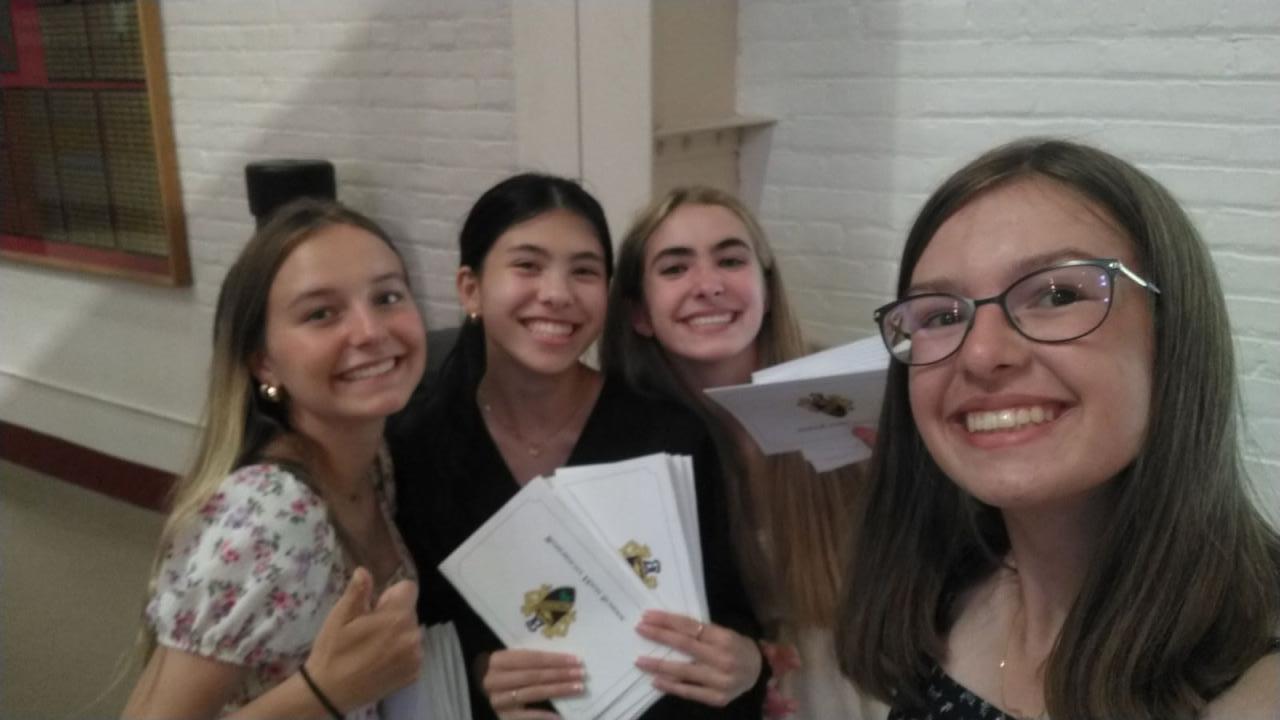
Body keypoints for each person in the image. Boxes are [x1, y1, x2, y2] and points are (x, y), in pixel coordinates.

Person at [836, 138, 1280, 720]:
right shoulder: (945, 591)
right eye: (941, 315)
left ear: (1173, 332)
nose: (981, 353)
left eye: (1056, 295)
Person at [389, 173, 768, 720]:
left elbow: (731, 619)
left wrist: (747, 662)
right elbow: (420, 640)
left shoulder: (668, 436)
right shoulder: (420, 448)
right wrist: (478, 679)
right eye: (527, 265)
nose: (558, 294)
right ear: (470, 288)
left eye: (585, 271)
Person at [124, 199, 426, 719]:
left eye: (387, 297)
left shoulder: (371, 462)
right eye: (321, 313)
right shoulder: (270, 512)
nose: (370, 331)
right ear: (264, 362)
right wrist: (325, 692)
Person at [599, 186, 881, 719]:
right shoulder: (625, 451)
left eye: (730, 260)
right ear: (639, 313)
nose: (709, 285)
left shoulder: (847, 402)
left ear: (767, 291)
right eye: (675, 268)